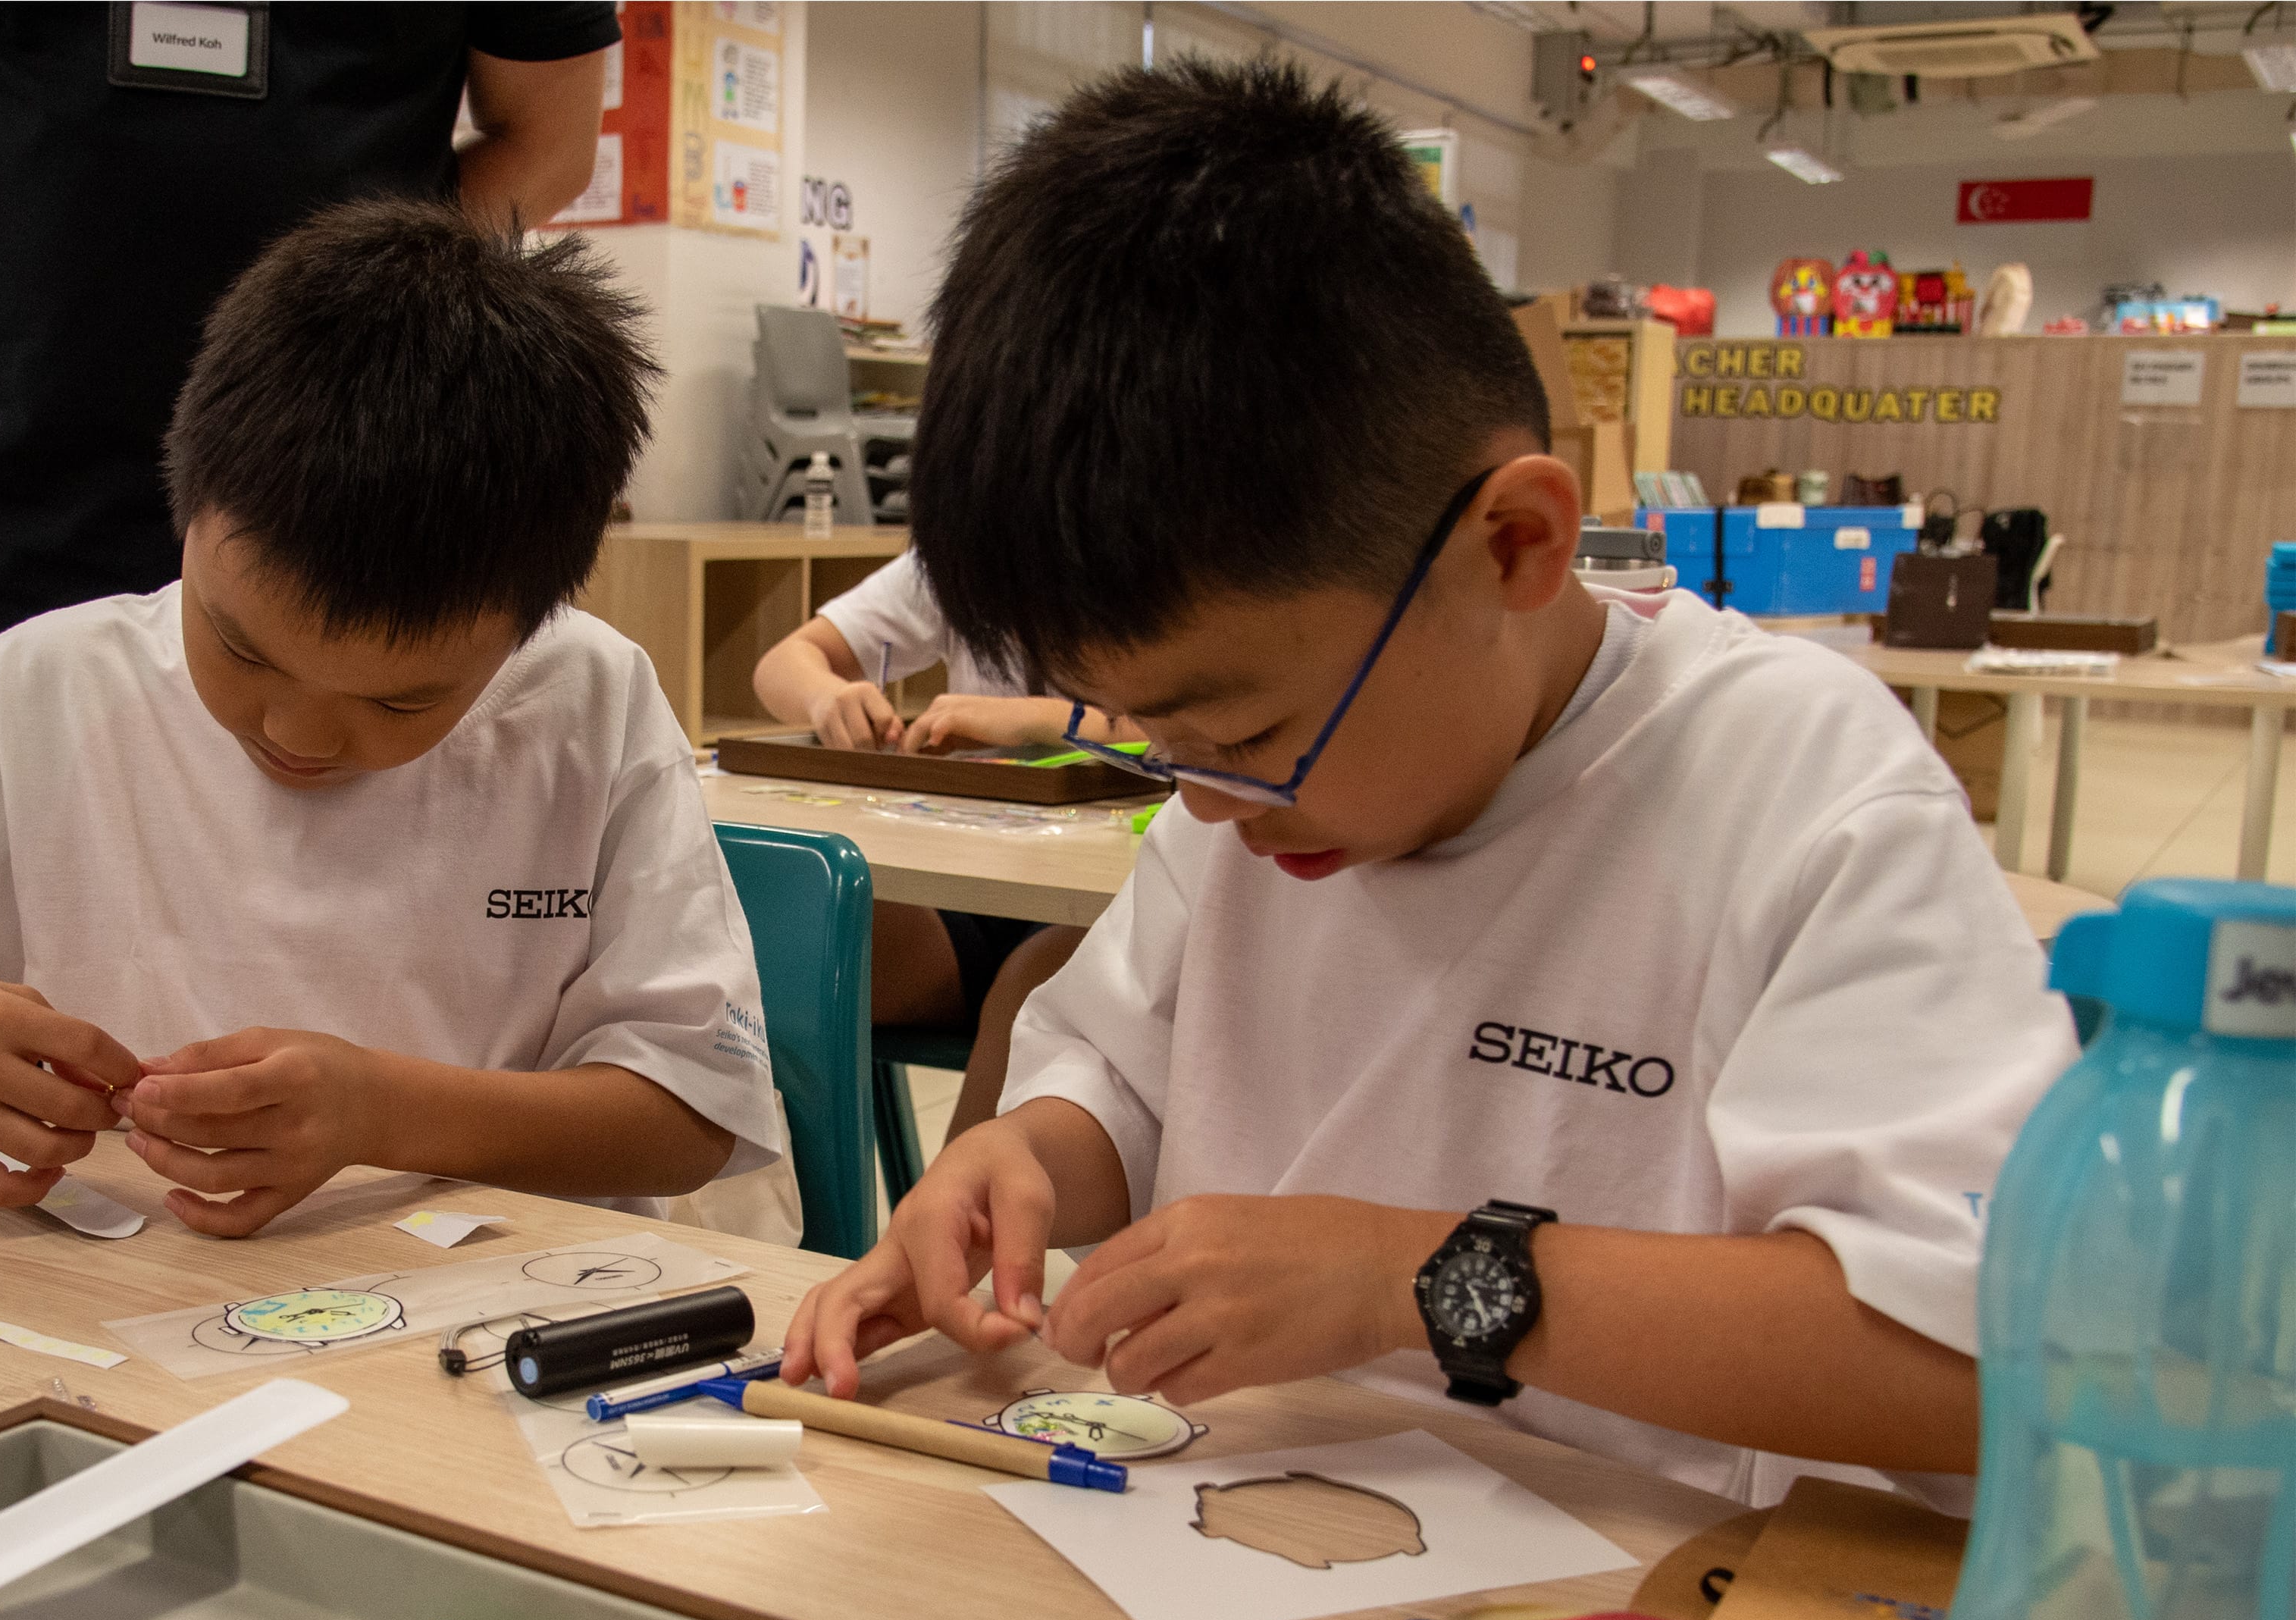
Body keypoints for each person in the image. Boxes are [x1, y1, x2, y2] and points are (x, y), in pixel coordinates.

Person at [781, 58, 2077, 1510]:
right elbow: (1124, 1077)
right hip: (1245, 1537)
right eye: (1151, 742)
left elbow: (1988, 1360)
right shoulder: (1251, 796)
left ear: (1517, 544)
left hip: (1650, 1602)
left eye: (1247, 730)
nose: (1207, 806)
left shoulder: (1803, 794)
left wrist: (1407, 1276)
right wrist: (1023, 1157)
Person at [0, 202, 782, 1237]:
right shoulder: (50, 687)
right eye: (240, 644)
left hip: (498, 1311)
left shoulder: (588, 700)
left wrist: (384, 1111)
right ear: (188, 512)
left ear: (533, 622)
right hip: (127, 1302)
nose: (300, 731)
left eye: (403, 699)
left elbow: (693, 1115)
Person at [0, 2, 619, 720]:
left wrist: (349, 312)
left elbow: (547, 140)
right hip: (7, 515)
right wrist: (6, 286)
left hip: (339, 527)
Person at [750, 553, 1134, 1141]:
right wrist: (828, 697)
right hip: (968, 885)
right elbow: (784, 663)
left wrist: (1044, 719)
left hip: (1095, 900)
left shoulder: (1152, 549)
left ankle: (941, 1225)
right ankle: (797, 1220)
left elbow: (1188, 729)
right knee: (794, 947)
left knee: (1036, 982)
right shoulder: (957, 554)